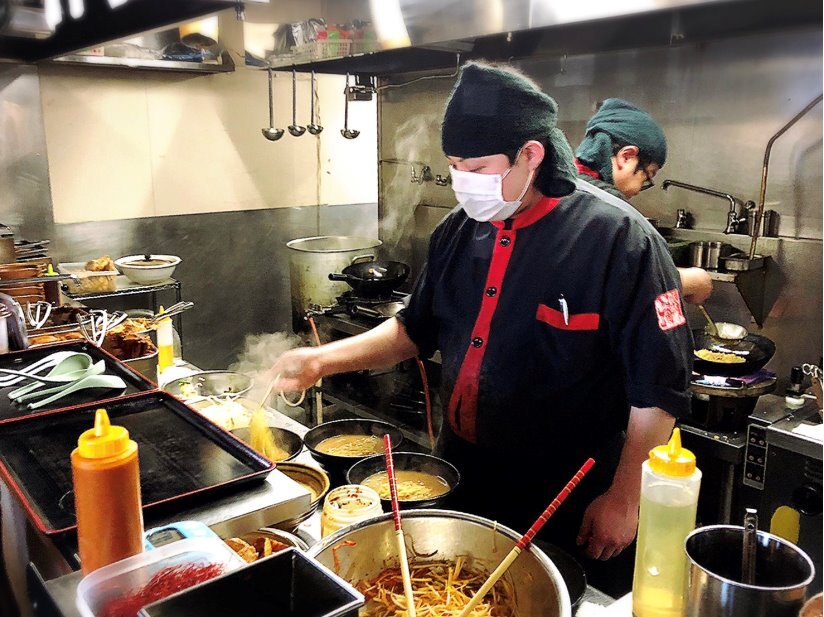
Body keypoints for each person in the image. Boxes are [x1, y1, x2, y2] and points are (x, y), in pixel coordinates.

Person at [272, 63, 693, 595]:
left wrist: (625, 496)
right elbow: (413, 331)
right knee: (453, 594)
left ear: (531, 155)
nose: (462, 182)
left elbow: (658, 387)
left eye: (476, 166)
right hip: (465, 471)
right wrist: (320, 361)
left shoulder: (620, 241)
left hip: (566, 491)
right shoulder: (458, 230)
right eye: (454, 166)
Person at [574, 98, 713, 305]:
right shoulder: (606, 212)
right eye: (647, 175)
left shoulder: (557, 188)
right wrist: (689, 281)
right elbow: (619, 286)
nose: (640, 189)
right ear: (626, 157)